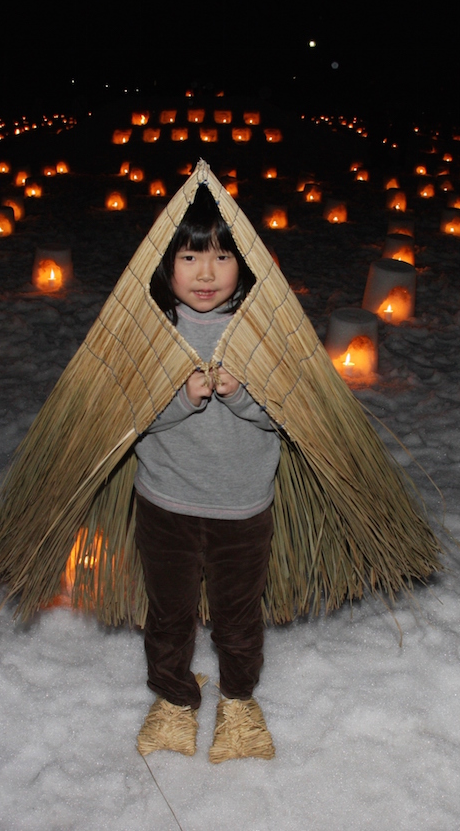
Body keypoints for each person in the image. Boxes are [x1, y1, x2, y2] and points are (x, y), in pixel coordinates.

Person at [133, 183, 279, 763]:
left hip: (241, 508)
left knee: (238, 617)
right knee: (168, 613)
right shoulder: (148, 334)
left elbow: (289, 418)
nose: (205, 271)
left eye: (222, 255)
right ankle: (172, 697)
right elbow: (127, 421)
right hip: (164, 502)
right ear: (165, 266)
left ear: (243, 265)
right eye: (189, 256)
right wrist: (178, 399)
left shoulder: (265, 334)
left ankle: (240, 701)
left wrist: (243, 397)